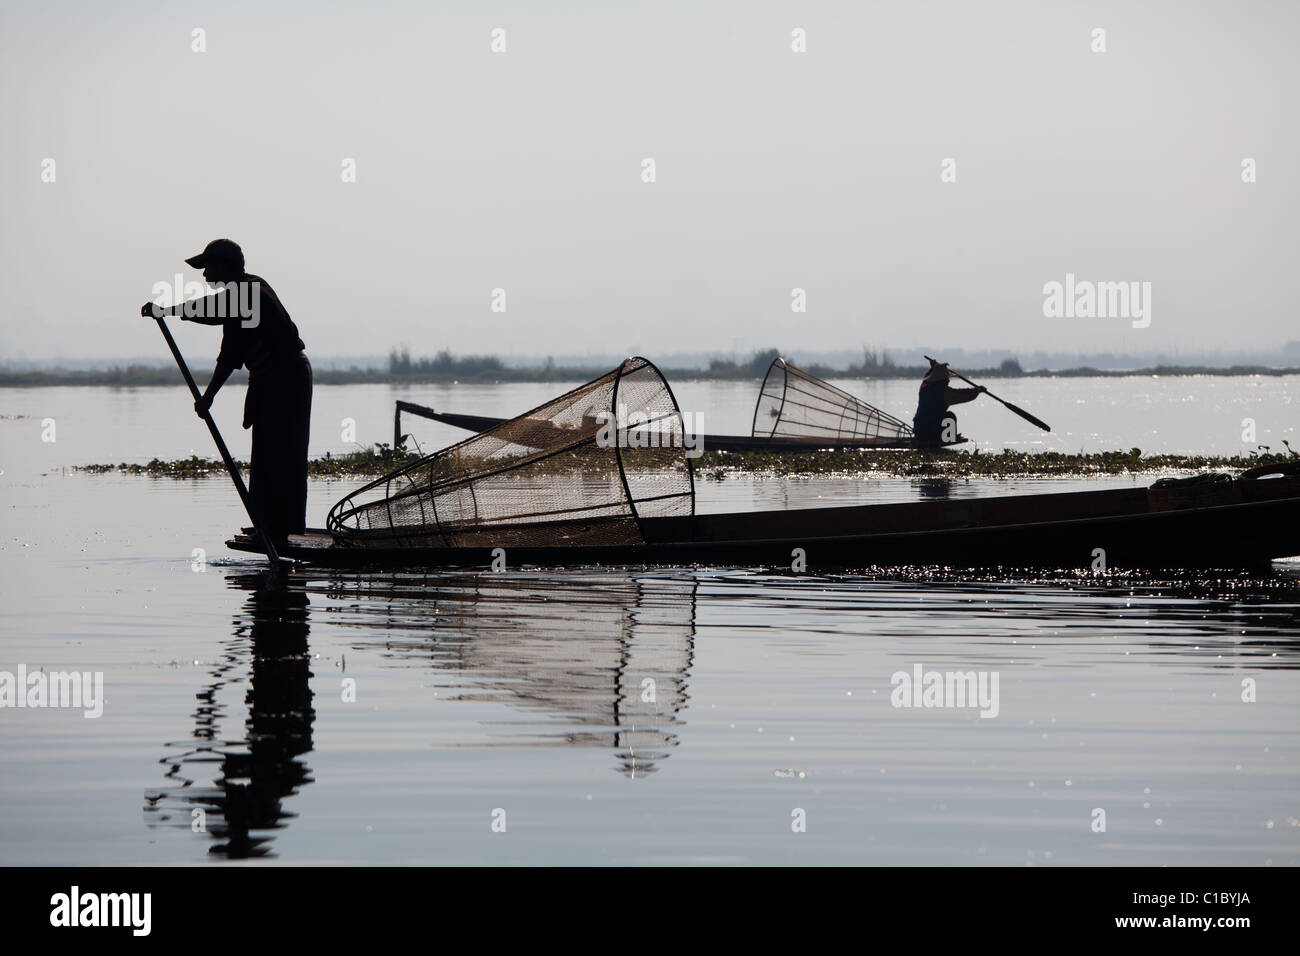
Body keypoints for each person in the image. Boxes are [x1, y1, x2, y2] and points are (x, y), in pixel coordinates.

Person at [142, 239, 312, 546]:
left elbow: (218, 329)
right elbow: (224, 340)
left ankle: (282, 528)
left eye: (209, 268)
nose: (205, 276)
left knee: (282, 450)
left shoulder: (250, 292)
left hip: (286, 378)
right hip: (269, 379)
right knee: (264, 450)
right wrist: (209, 396)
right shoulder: (241, 296)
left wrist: (166, 309)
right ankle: (268, 524)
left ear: (226, 266)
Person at [913, 358, 983, 447]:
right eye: (947, 378)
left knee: (943, 417)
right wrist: (977, 390)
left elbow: (926, 377)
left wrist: (933, 367)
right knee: (950, 416)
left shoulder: (924, 387)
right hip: (930, 429)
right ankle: (948, 438)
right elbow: (962, 394)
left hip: (919, 429)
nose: (948, 380)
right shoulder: (943, 392)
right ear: (942, 380)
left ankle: (941, 437)